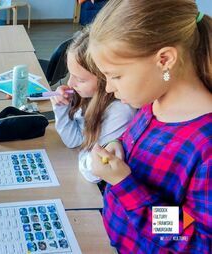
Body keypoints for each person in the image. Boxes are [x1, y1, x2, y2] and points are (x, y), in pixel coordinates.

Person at [87, 0, 211, 253]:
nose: (109, 88)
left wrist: (124, 184)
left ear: (164, 59)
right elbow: (140, 149)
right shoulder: (152, 103)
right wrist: (116, 146)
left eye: (116, 76)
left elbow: (198, 243)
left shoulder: (206, 145)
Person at [51, 27, 136, 183]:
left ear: (105, 78)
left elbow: (93, 173)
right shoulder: (87, 96)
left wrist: (85, 152)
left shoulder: (120, 112)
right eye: (71, 75)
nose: (70, 83)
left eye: (80, 79)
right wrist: (62, 107)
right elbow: (74, 141)